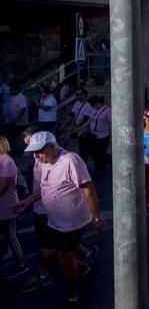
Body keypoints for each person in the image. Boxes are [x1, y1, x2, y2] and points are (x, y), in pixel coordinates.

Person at [13, 131, 106, 308]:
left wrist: (97, 217)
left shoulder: (70, 160)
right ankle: (86, 268)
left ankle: (72, 296)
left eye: (38, 152)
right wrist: (26, 202)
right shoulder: (44, 162)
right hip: (53, 220)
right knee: (48, 255)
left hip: (71, 222)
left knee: (64, 257)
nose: (36, 156)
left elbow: (88, 188)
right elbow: (45, 188)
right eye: (33, 153)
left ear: (51, 146)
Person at [0, 135, 27, 280]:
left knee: (11, 236)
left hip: (7, 207)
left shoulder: (6, 162)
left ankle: (21, 264)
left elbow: (2, 188)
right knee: (5, 236)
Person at [87, 96, 111, 177]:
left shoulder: (107, 110)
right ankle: (99, 168)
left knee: (100, 154)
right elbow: (89, 120)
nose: (93, 106)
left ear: (98, 103)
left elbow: (110, 122)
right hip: (93, 134)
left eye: (94, 104)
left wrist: (112, 137)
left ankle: (100, 169)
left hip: (103, 135)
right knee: (94, 153)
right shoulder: (93, 109)